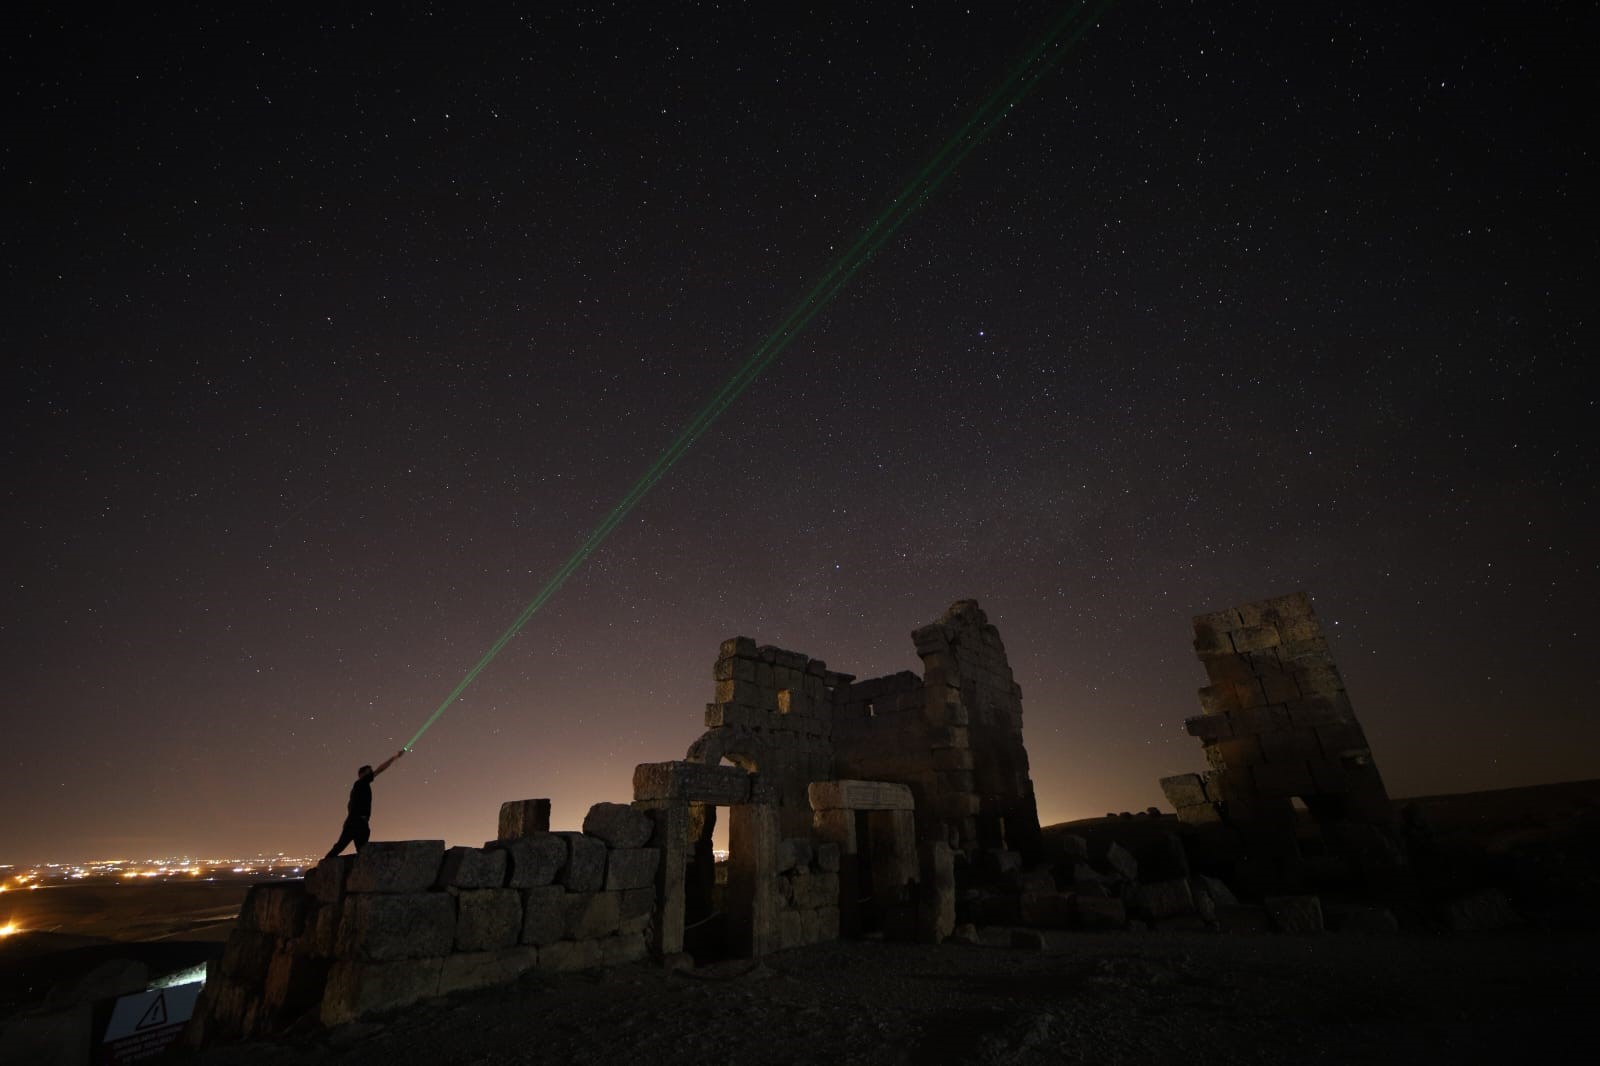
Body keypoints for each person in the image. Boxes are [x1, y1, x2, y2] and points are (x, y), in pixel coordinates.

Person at [324, 749, 405, 859]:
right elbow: (380, 770)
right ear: (362, 774)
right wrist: (394, 757)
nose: (371, 773)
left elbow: (349, 805)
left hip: (354, 822)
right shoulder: (360, 784)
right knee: (352, 848)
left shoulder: (357, 787)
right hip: (357, 822)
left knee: (348, 848)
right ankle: (324, 867)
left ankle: (325, 866)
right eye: (369, 772)